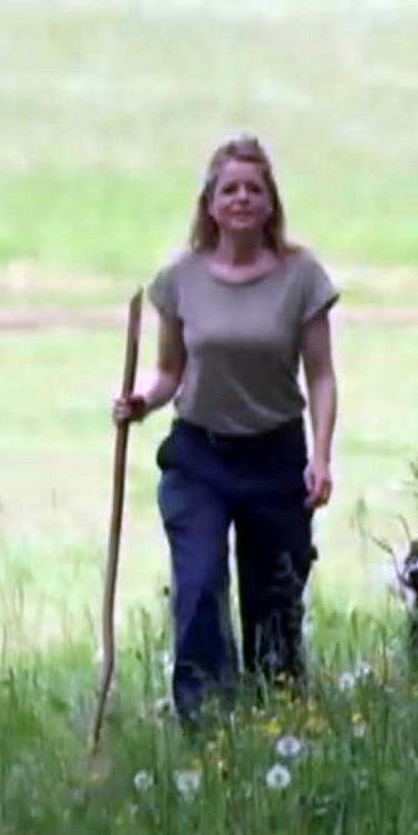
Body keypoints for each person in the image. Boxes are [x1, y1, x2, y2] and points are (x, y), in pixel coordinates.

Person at [112, 135, 339, 723]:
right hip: (200, 459)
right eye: (230, 189)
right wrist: (142, 401)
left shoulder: (302, 278)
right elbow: (169, 373)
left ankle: (277, 719)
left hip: (275, 459)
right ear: (210, 204)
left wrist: (321, 455)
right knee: (199, 586)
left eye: (254, 189)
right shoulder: (180, 281)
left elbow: (320, 377)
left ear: (270, 204)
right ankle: (204, 723)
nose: (242, 198)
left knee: (274, 604)